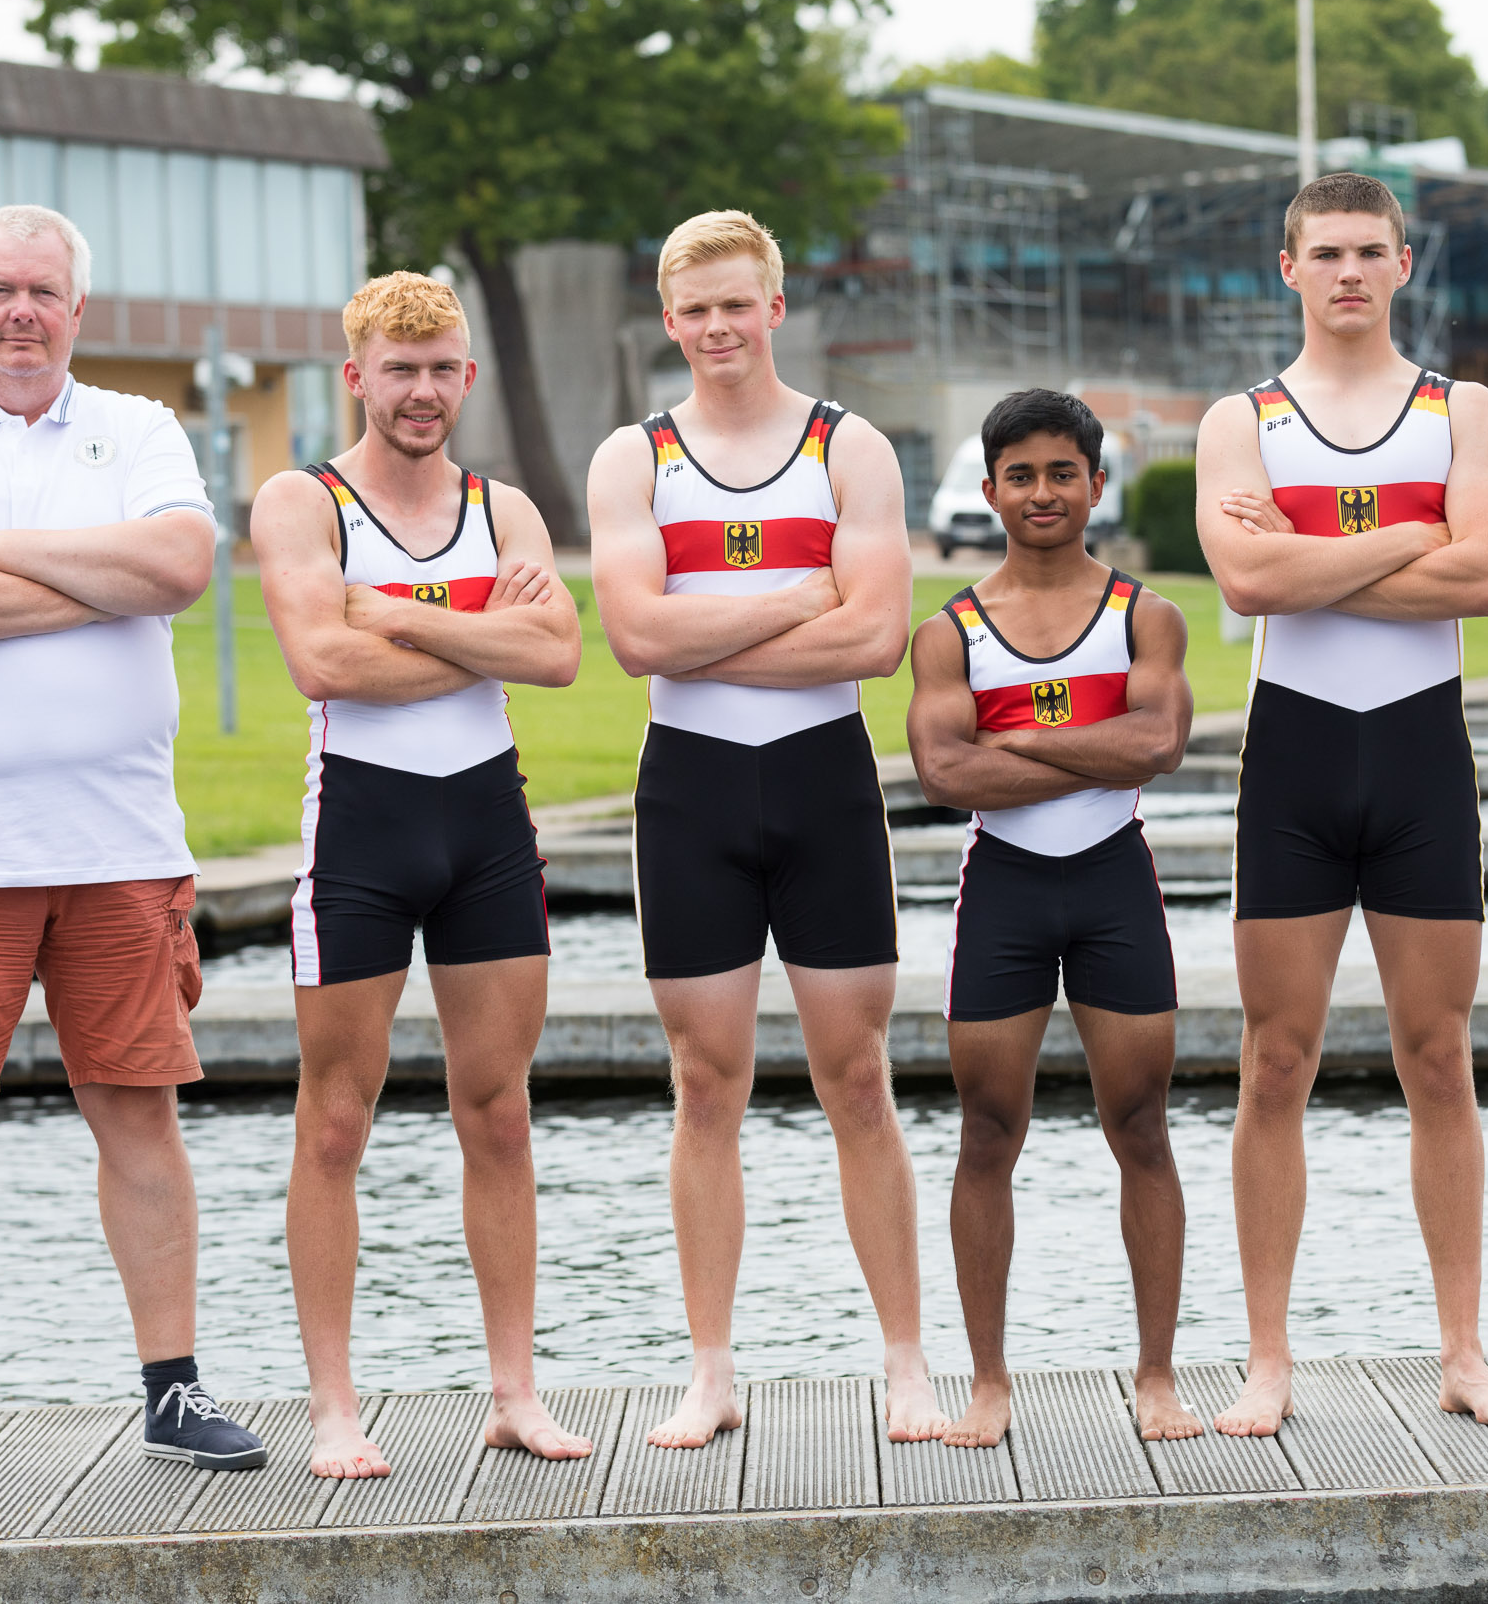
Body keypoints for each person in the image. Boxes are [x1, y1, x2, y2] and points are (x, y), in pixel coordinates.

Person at [0, 204, 264, 1494]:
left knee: (140, 1116)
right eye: (1, 289)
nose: (24, 311)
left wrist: (1, 556)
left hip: (118, 846)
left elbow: (182, 564)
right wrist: (86, 580)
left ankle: (174, 1392)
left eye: (46, 292)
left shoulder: (138, 427)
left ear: (81, 307)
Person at [585, 210, 944, 1449]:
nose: (719, 327)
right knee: (705, 1083)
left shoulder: (852, 449)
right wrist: (798, 594)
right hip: (689, 785)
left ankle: (903, 1361)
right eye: (697, 309)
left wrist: (724, 616)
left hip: (820, 780)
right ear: (671, 321)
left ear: (775, 308)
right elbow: (632, 639)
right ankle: (710, 1368)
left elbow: (873, 636)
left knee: (857, 1075)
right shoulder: (634, 458)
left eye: (739, 303)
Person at [1196, 172, 1488, 1436]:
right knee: (1274, 1060)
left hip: (1417, 757)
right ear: (1286, 268)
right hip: (1293, 755)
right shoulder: (1241, 418)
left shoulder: (1465, 409)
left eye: (1369, 251)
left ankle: (1461, 1348)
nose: (1348, 271)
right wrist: (1411, 536)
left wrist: (1312, 553)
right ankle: (1268, 1359)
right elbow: (1244, 582)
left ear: (1405, 266)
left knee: (1436, 1054)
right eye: (1324, 251)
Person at [251, 272, 591, 1476]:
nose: (423, 390)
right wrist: (476, 631)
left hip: (487, 834)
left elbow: (559, 654)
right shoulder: (304, 501)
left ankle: (513, 1390)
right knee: (336, 1121)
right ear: (357, 376)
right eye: (400, 369)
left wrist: (395, 613)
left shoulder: (504, 508)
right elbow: (319, 661)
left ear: (468, 376)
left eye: (443, 368)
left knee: (497, 1113)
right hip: (361, 836)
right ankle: (335, 1405)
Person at [906, 389, 1199, 1449]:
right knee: (988, 1130)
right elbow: (942, 771)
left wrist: (1017, 740)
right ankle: (988, 1382)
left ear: (1095, 484)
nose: (1041, 491)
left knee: (1142, 1127)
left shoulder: (1144, 616)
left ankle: (1156, 1373)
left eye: (1060, 472)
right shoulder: (950, 631)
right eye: (1019, 474)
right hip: (1006, 892)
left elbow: (1157, 744)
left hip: (1114, 880)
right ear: (988, 491)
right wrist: (1086, 731)